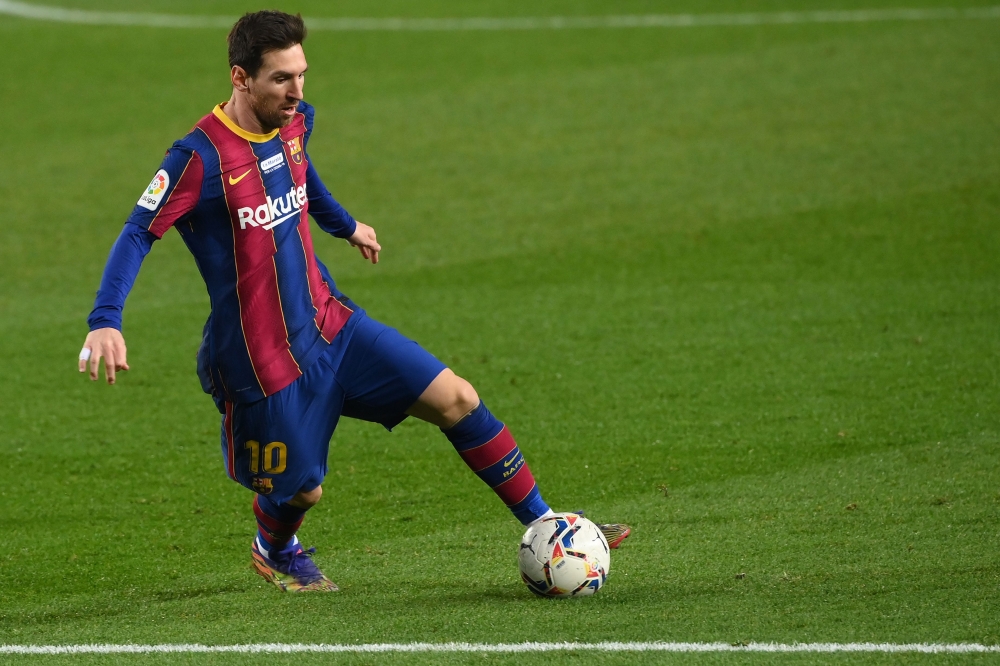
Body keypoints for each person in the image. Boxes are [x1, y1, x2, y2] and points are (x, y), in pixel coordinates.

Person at [79, 10, 630, 593]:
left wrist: (344, 226)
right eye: (280, 80)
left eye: (302, 75)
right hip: (263, 363)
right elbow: (139, 230)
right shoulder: (198, 158)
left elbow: (300, 174)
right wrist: (104, 320)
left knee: (458, 398)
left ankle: (547, 526)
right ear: (240, 79)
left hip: (331, 325)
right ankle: (273, 544)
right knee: (302, 490)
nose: (297, 92)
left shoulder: (291, 122)